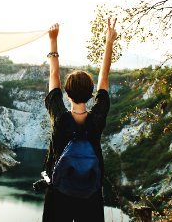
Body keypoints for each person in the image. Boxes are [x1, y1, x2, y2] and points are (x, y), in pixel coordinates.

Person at [42, 19, 117, 222]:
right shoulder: (97, 119)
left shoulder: (59, 119)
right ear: (91, 93)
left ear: (67, 93)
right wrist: (109, 42)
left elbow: (54, 74)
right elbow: (104, 76)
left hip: (58, 194)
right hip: (90, 194)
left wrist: (53, 40)